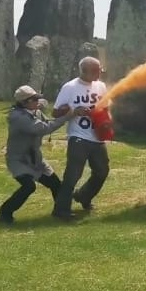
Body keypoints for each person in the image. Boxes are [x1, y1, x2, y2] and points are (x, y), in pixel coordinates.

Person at [0, 85, 87, 225]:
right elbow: (44, 128)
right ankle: (4, 213)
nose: (37, 101)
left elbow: (48, 121)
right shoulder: (18, 117)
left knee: (56, 184)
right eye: (34, 99)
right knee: (29, 187)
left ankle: (61, 212)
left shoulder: (34, 112)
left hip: (36, 159)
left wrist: (60, 111)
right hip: (19, 160)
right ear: (25, 102)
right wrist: (70, 115)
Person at [51, 57, 110, 221]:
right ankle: (61, 209)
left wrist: (106, 122)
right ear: (85, 71)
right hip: (78, 137)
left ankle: (83, 196)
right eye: (96, 71)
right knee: (73, 174)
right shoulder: (70, 87)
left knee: (102, 171)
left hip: (97, 137)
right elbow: (55, 113)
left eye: (100, 70)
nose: (100, 73)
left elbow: (106, 107)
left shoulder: (101, 86)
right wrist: (74, 112)